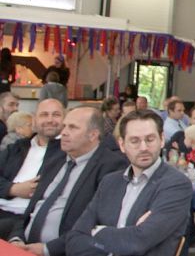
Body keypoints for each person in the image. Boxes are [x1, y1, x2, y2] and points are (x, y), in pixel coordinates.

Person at [64, 109, 193, 256]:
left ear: (162, 140)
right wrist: (124, 238)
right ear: (122, 145)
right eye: (135, 141)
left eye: (150, 139)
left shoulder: (176, 184)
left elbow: (138, 242)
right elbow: (74, 240)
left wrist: (97, 231)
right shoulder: (110, 182)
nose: (143, 147)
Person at [8, 106, 127, 256]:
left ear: (93, 135)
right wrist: (16, 238)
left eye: (72, 127)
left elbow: (95, 225)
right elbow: (32, 208)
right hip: (24, 247)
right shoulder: (55, 160)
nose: (63, 132)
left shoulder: (112, 167)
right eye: (64, 126)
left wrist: (47, 249)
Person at [0, 100, 65, 238]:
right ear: (34, 119)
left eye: (56, 115)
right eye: (44, 115)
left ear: (65, 119)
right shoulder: (17, 147)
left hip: (27, 218)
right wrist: (13, 189)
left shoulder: (67, 153)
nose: (50, 120)